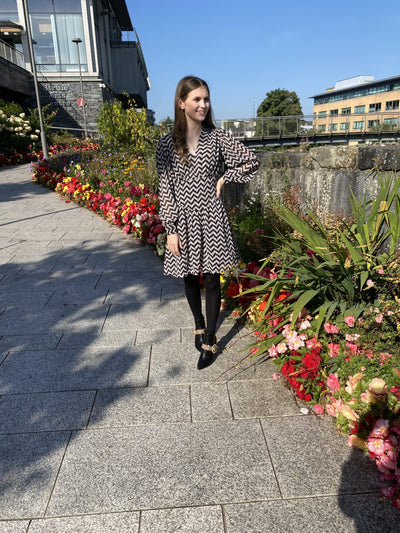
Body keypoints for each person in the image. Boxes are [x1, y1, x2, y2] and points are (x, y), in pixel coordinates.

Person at [156, 75, 259, 370]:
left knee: (212, 278)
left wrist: (226, 177)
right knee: (189, 275)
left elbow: (251, 161)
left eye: (206, 99)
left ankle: (211, 339)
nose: (203, 104)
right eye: (196, 99)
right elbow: (166, 189)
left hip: (213, 216)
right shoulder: (166, 145)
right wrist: (171, 228)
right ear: (181, 103)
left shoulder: (218, 138)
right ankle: (199, 324)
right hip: (184, 218)